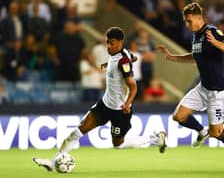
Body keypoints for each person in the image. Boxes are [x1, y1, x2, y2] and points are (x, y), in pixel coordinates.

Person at [33, 27, 166, 171]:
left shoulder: (123, 61)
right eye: (107, 42)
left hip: (119, 111)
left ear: (120, 42)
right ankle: (53, 163)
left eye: (112, 43)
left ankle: (156, 138)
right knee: (77, 132)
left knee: (118, 144)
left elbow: (133, 86)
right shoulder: (120, 55)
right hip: (104, 105)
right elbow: (133, 57)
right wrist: (109, 64)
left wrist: (127, 104)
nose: (109, 46)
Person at [156, 2, 224, 170]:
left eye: (189, 21)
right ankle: (201, 130)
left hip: (219, 91)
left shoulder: (211, 32)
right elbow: (195, 56)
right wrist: (172, 57)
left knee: (217, 132)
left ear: (199, 18)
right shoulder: (195, 35)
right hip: (203, 88)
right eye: (185, 21)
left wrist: (217, 44)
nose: (187, 24)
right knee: (179, 116)